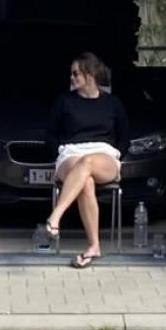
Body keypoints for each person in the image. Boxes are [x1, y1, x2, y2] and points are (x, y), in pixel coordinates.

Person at [43, 52, 129, 269]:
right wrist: (58, 154)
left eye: (76, 73)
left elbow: (124, 137)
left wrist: (115, 154)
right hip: (71, 153)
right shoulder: (63, 101)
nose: (71, 78)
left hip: (104, 154)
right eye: (71, 74)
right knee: (86, 182)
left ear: (90, 74)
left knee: (88, 162)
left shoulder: (113, 103)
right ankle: (94, 245)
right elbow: (51, 135)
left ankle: (56, 216)